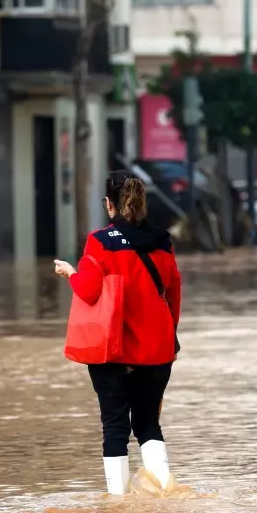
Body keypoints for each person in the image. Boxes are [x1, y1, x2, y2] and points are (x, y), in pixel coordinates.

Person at [53, 170, 183, 495]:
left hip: (113, 351)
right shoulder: (163, 242)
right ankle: (166, 493)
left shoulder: (100, 241)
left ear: (108, 203)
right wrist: (169, 338)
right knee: (148, 423)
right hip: (158, 351)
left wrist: (70, 272)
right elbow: (173, 293)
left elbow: (89, 290)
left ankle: (119, 510)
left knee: (115, 427)